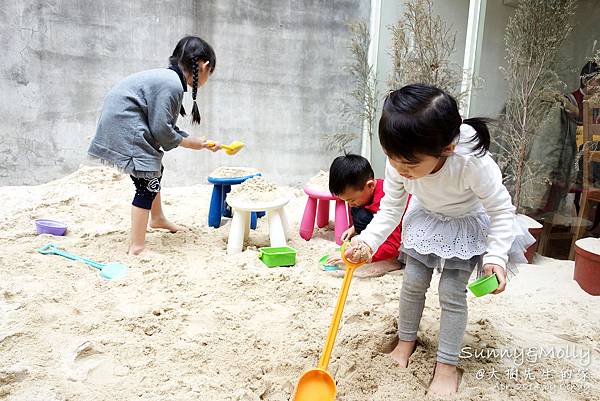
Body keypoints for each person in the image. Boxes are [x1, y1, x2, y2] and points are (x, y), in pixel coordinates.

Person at [344, 84, 534, 396]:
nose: (401, 170)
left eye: (410, 163)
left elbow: (502, 211)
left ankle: (446, 364)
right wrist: (368, 242)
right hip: (426, 220)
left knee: (450, 292)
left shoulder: (471, 162)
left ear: (446, 147)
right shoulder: (401, 162)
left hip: (465, 227)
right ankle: (406, 340)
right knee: (413, 282)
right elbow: (391, 209)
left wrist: (496, 258)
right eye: (393, 159)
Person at [88, 35, 220, 255]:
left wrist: (197, 142)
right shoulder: (172, 85)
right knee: (146, 183)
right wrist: (190, 143)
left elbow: (162, 124)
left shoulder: (168, 79)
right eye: (211, 72)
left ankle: (157, 218)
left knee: (154, 170)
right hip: (124, 124)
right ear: (203, 66)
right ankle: (137, 247)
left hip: (124, 121)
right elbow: (161, 130)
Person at [326, 154, 407, 275]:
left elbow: (392, 244)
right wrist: (354, 228)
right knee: (358, 211)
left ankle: (391, 261)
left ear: (370, 186)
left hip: (404, 233)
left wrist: (364, 256)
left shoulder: (386, 199)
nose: (350, 204)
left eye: (352, 200)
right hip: (389, 226)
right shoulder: (367, 193)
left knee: (361, 214)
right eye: (346, 201)